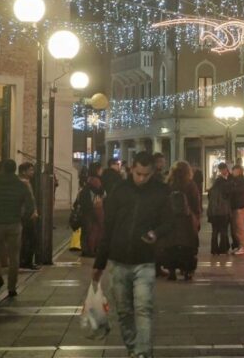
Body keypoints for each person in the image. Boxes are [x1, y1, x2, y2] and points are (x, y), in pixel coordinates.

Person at [92, 152, 172, 358]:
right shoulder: (120, 191)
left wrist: (156, 233)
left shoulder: (161, 192)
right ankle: (133, 349)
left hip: (145, 260)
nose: (142, 179)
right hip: (118, 260)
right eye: (138, 174)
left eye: (146, 174)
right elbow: (108, 228)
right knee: (124, 310)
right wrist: (99, 263)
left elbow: (169, 221)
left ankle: (142, 353)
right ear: (131, 170)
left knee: (144, 308)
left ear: (153, 172)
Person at [0, 159, 37, 297]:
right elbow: (30, 205)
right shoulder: (20, 185)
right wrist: (22, 218)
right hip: (14, 224)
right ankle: (12, 288)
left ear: (2, 169)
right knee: (14, 257)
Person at [162, 161, 201, 281]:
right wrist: (197, 218)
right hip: (187, 220)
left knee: (171, 246)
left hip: (171, 220)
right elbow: (196, 203)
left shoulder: (168, 184)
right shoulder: (190, 184)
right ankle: (188, 271)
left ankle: (172, 271)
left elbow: (163, 203)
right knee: (188, 247)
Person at [77, 162, 107, 258]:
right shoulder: (96, 180)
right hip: (97, 206)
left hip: (90, 207)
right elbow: (103, 193)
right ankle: (93, 249)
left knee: (91, 228)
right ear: (97, 170)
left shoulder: (89, 179)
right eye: (101, 169)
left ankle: (90, 249)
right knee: (98, 227)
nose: (102, 171)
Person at [18, 162, 38, 270]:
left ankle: (25, 261)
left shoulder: (25, 182)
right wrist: (33, 211)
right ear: (23, 171)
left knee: (26, 238)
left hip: (26, 214)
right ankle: (27, 261)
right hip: (27, 215)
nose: (33, 172)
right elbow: (28, 200)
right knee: (30, 239)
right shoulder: (23, 183)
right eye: (30, 170)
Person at [207, 164, 231, 255]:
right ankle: (223, 248)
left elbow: (210, 197)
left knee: (215, 231)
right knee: (223, 230)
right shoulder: (225, 184)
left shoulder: (213, 188)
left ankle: (214, 249)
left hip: (213, 212)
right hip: (223, 211)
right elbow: (228, 196)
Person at [229, 164, 244, 255]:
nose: (232, 172)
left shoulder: (241, 180)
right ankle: (239, 246)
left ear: (239, 171)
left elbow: (237, 191)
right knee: (235, 228)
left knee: (240, 228)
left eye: (234, 170)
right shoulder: (236, 180)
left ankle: (243, 247)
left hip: (240, 206)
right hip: (236, 206)